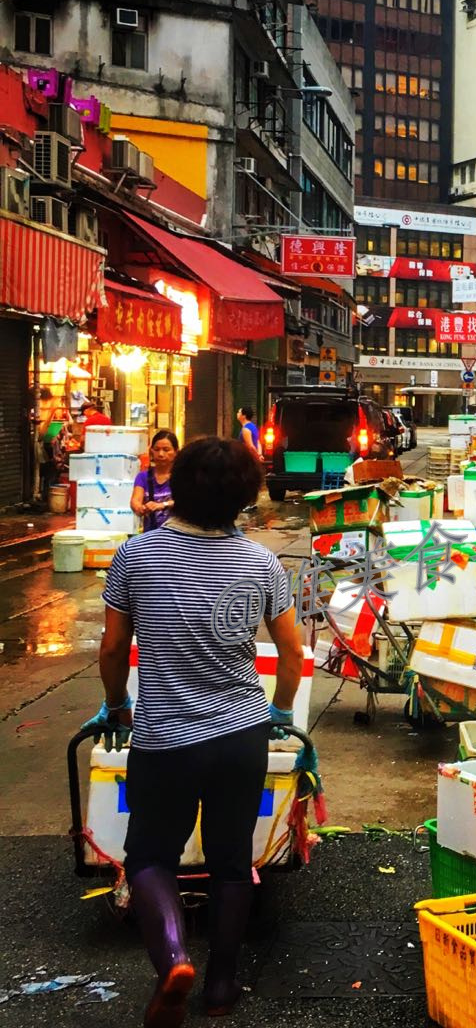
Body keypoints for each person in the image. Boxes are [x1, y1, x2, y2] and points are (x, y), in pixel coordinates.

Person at [88, 437, 303, 1024]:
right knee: (233, 861)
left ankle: (175, 958)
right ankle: (222, 986)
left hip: (163, 739)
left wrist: (116, 705)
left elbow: (113, 648)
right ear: (244, 496)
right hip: (242, 734)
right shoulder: (262, 563)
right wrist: (282, 711)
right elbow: (291, 652)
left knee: (150, 856)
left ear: (175, 486)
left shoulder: (136, 556)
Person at [131, 430, 179, 531]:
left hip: (176, 534)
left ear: (176, 452)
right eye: (157, 449)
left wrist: (162, 505)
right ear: (151, 451)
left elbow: (187, 501)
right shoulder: (143, 476)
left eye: (166, 450)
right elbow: (135, 501)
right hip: (151, 534)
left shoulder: (181, 476)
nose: (161, 454)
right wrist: (141, 508)